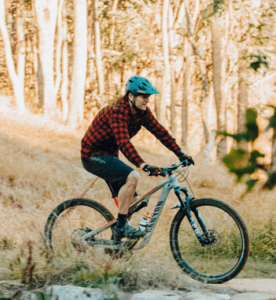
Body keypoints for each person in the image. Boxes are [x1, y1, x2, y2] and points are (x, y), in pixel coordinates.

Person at [80, 75, 195, 240]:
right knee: (132, 176)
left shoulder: (142, 112)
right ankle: (121, 229)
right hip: (92, 155)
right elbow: (124, 143)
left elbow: (160, 132)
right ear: (131, 96)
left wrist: (180, 153)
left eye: (149, 96)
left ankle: (115, 247)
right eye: (144, 96)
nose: (147, 100)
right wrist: (143, 165)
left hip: (110, 155)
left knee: (133, 202)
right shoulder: (117, 111)